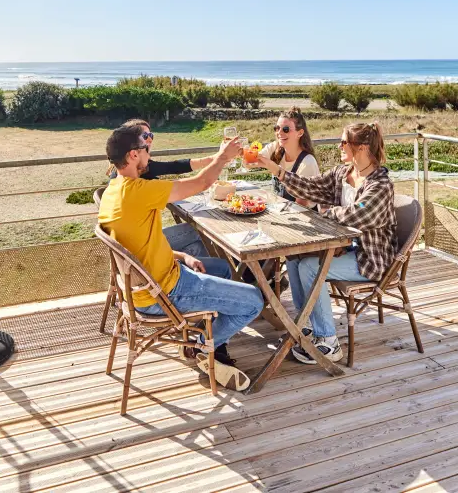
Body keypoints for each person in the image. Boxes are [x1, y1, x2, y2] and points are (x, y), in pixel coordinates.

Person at [99, 124, 264, 390]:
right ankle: (202, 346)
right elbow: (202, 183)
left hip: (152, 284)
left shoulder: (113, 191)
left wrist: (181, 255)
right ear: (133, 155)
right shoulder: (138, 190)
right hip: (165, 293)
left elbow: (136, 247)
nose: (149, 154)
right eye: (145, 149)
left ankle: (211, 342)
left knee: (222, 269)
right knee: (254, 301)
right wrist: (222, 157)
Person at [252, 122, 396, 364]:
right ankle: (305, 325)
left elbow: (357, 213)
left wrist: (323, 214)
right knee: (295, 258)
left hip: (369, 259)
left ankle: (329, 341)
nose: (339, 146)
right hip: (342, 248)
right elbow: (310, 187)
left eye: (343, 142)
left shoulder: (380, 186)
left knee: (310, 267)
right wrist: (276, 170)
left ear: (361, 147)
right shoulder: (342, 174)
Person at [107, 118, 216, 259]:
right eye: (145, 136)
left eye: (151, 135)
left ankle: (211, 268)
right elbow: (180, 171)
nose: (149, 139)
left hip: (135, 244)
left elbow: (172, 169)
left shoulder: (122, 176)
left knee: (197, 247)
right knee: (199, 229)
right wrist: (220, 158)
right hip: (143, 247)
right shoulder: (135, 178)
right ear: (132, 149)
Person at [259, 107, 320, 206]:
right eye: (277, 128)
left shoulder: (307, 162)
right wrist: (244, 154)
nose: (279, 132)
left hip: (301, 213)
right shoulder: (276, 147)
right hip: (280, 209)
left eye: (286, 129)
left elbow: (301, 205)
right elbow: (250, 163)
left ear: (300, 133)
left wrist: (272, 166)